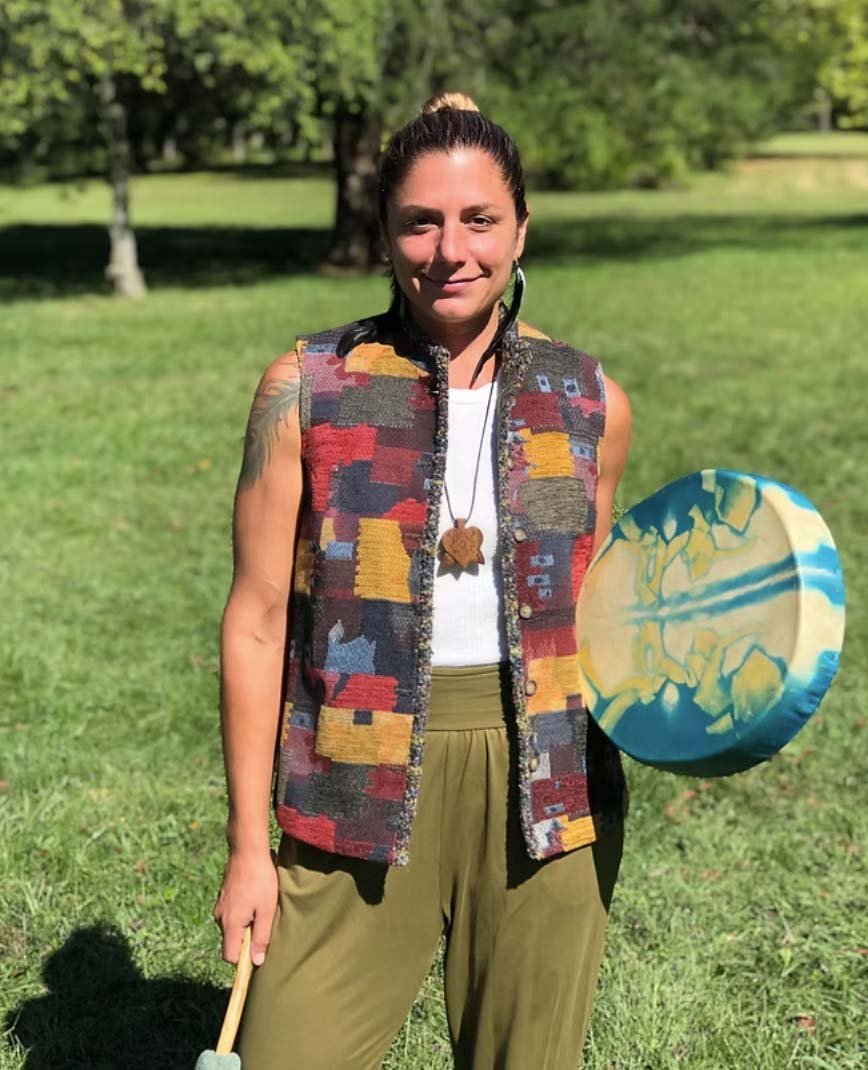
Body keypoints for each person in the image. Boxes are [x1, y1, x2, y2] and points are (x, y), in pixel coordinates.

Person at [213, 91, 632, 1070]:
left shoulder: (590, 402)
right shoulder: (307, 386)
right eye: (421, 219)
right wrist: (246, 845)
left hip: (549, 780)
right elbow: (257, 620)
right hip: (347, 773)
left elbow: (604, 614)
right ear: (385, 231)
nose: (451, 249)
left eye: (479, 218)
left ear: (522, 227)